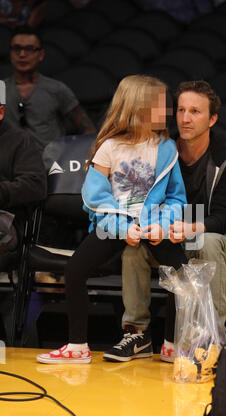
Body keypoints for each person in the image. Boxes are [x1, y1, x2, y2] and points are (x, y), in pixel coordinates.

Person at [36, 74, 188, 365]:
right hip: (115, 225)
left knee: (179, 273)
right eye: (161, 105)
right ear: (138, 107)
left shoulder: (166, 147)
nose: (168, 112)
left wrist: (162, 225)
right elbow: (94, 197)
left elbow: (176, 198)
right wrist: (123, 228)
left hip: (153, 223)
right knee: (75, 270)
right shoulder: (108, 146)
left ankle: (171, 343)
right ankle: (77, 345)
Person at [119, 80, 226, 363]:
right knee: (134, 249)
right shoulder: (160, 150)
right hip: (167, 229)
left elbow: (222, 216)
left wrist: (192, 228)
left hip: (218, 234)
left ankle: (209, 338)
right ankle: (137, 334)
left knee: (204, 243)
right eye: (180, 110)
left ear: (212, 119)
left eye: (195, 111)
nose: (185, 118)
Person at [4, 25, 96, 153]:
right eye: (16, 49)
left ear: (41, 55)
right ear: (10, 53)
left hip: (51, 165)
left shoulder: (56, 89)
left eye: (29, 49)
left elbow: (87, 127)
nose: (22, 54)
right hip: (9, 166)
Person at [0, 79, 47, 254]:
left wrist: (2, 191)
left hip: (6, 220)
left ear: (1, 112)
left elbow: (35, 185)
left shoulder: (19, 140)